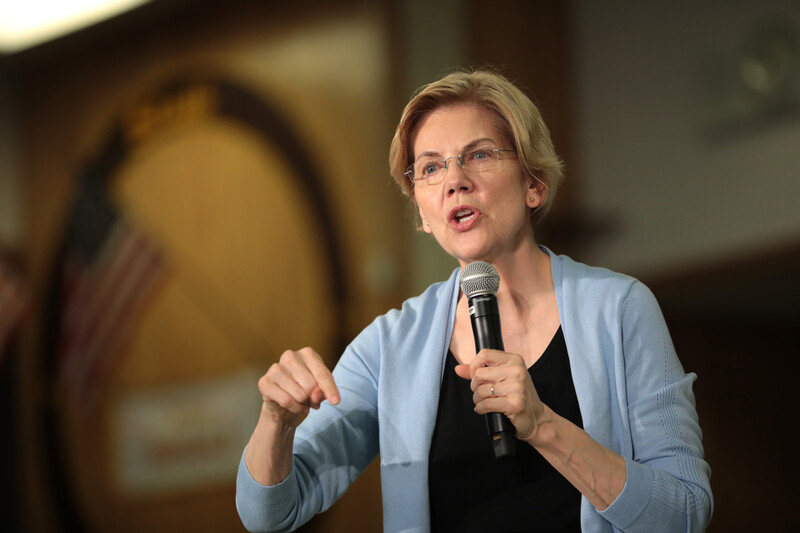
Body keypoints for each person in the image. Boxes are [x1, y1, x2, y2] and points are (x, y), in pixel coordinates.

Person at [236, 68, 713, 532]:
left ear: (534, 185)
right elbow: (270, 514)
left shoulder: (619, 309)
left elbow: (685, 512)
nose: (455, 180)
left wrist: (543, 425)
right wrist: (275, 423)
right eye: (430, 167)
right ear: (421, 213)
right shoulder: (389, 346)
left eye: (479, 155)